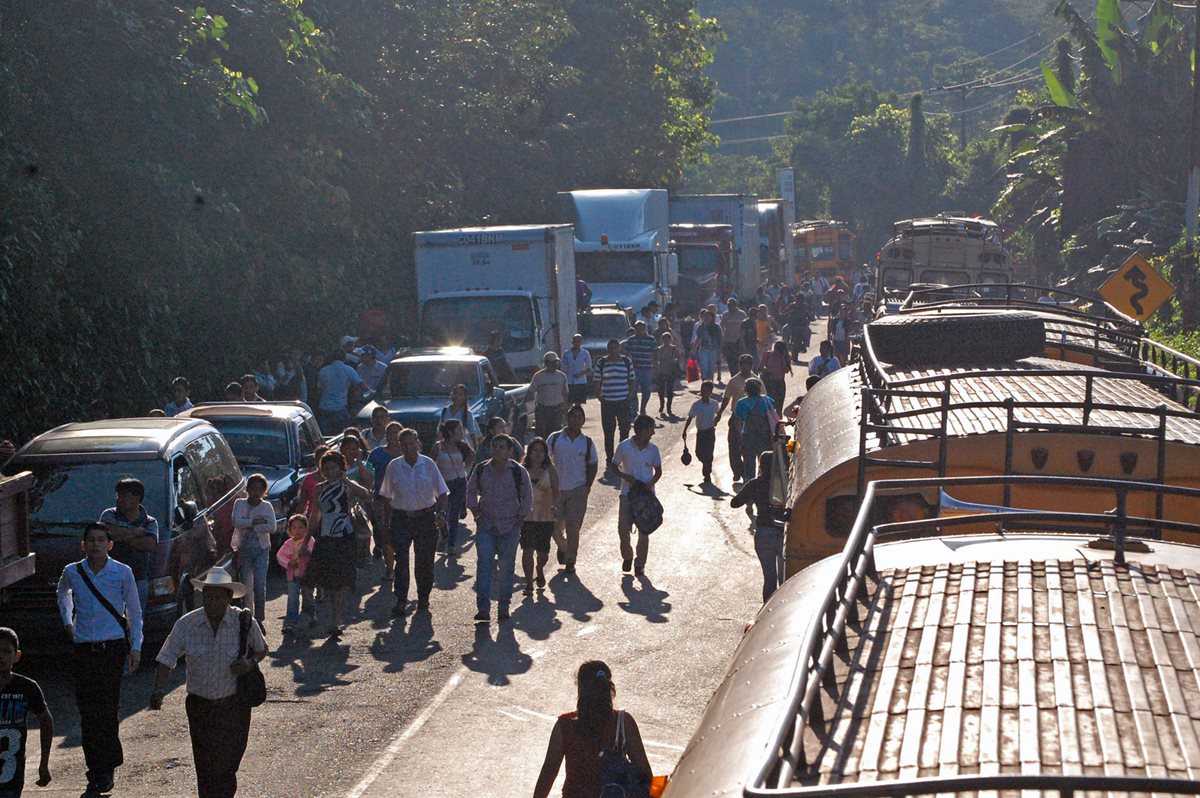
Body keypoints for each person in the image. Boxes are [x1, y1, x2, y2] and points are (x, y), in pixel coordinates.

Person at [151, 567, 267, 798]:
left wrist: (249, 663)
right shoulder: (187, 625)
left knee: (228, 764)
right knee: (205, 766)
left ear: (228, 597)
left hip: (234, 705)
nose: (211, 602)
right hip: (200, 707)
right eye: (207, 596)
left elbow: (262, 649)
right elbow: (166, 658)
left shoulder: (243, 621)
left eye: (217, 597)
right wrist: (158, 690)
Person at [56, 523, 142, 796]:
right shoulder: (72, 572)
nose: (95, 544)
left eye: (101, 540)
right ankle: (95, 769)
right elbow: (62, 593)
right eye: (90, 540)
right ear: (83, 545)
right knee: (88, 713)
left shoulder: (122, 572)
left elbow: (135, 612)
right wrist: (67, 621)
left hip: (112, 649)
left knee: (106, 709)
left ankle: (107, 766)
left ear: (110, 544)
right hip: (83, 649)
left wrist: (136, 647)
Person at [532, 660, 651, 798]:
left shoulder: (564, 725)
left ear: (580, 689)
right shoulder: (623, 722)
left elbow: (548, 773)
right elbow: (646, 773)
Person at [379, 429, 448, 617]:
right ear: (399, 446)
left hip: (425, 518)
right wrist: (386, 525)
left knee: (424, 561)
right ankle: (401, 599)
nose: (409, 448)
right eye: (404, 445)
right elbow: (386, 497)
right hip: (401, 518)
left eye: (412, 444)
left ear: (418, 443)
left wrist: (441, 514)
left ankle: (423, 597)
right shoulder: (394, 466)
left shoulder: (428, 464)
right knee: (401, 561)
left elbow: (442, 493)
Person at [466, 435, 532, 622]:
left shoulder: (518, 471)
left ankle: (504, 607)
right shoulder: (481, 469)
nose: (497, 450)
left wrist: (520, 517)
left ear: (510, 450)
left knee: (506, 568)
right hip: (486, 525)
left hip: (510, 527)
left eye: (502, 447)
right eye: (494, 447)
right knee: (484, 566)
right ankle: (483, 609)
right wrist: (475, 513)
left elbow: (527, 496)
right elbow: (470, 491)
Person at [305, 451, 372, 635]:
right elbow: (314, 515)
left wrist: (348, 481)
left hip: (345, 536)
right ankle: (332, 614)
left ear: (340, 468)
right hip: (326, 537)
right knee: (328, 582)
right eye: (326, 469)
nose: (329, 471)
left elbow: (367, 495)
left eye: (333, 467)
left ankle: (335, 621)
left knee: (343, 581)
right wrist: (306, 541)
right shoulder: (319, 488)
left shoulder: (347, 486)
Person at [0, 627, 53, 797]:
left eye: (6, 651)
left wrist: (44, 763)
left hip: (12, 776)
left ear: (17, 656)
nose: (1, 656)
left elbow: (46, 720)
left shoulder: (27, 687)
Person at [547, 406, 597, 574]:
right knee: (554, 528)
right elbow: (545, 461)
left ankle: (570, 560)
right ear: (567, 419)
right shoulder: (554, 439)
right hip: (556, 491)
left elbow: (593, 465)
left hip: (578, 490)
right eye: (573, 417)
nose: (576, 420)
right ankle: (563, 547)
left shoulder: (587, 443)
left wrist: (587, 487)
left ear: (583, 420)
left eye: (579, 417)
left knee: (573, 528)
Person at [99, 477, 159, 612]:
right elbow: (106, 534)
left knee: (135, 619)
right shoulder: (109, 515)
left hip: (138, 579)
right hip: (110, 578)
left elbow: (150, 544)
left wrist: (122, 537)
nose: (120, 499)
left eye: (125, 496)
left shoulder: (150, 522)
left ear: (137, 498)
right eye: (119, 496)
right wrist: (135, 532)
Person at [612, 414, 662, 576]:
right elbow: (614, 466)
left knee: (644, 530)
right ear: (641, 430)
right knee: (623, 528)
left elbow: (658, 471)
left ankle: (640, 563)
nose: (653, 433)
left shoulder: (653, 450)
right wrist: (626, 477)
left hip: (646, 496)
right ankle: (627, 556)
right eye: (650, 429)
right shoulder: (624, 446)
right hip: (627, 494)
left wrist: (651, 483)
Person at [731, 452, 784, 602]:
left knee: (769, 578)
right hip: (782, 533)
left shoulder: (755, 483)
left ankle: (768, 613)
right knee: (785, 579)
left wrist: (749, 494)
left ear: (760, 465)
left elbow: (735, 503)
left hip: (763, 533)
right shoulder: (783, 483)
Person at [231, 473, 275, 626]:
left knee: (259, 584)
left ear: (264, 491)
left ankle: (260, 618)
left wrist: (251, 524)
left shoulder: (266, 506)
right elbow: (236, 521)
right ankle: (248, 616)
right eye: (253, 489)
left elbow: (272, 527)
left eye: (259, 489)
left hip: (261, 549)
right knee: (246, 585)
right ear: (247, 489)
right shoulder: (240, 503)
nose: (256, 493)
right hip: (244, 549)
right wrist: (255, 521)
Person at [519, 438, 559, 596]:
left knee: (543, 553)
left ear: (545, 454)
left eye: (541, 451)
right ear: (529, 453)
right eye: (534, 450)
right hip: (526, 517)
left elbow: (556, 490)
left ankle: (539, 569)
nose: (537, 454)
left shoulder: (550, 470)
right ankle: (529, 583)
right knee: (527, 550)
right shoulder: (521, 469)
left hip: (546, 516)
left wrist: (555, 505)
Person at [430, 419, 473, 557]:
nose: (462, 432)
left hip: (459, 482)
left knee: (454, 514)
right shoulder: (438, 447)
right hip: (443, 484)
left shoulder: (462, 446)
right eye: (459, 430)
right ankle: (444, 533)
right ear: (450, 432)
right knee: (441, 512)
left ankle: (452, 545)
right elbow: (431, 464)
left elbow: (471, 458)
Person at [366, 425, 401, 580]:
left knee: (401, 535)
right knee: (385, 534)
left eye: (396, 432)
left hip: (403, 502)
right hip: (381, 500)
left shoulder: (407, 453)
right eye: (390, 432)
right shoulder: (376, 453)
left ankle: (401, 564)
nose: (393, 435)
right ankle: (389, 569)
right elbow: (367, 474)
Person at [594, 339, 635, 472]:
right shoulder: (602, 363)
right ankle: (610, 459)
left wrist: (629, 396)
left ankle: (621, 458)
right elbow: (596, 381)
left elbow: (632, 379)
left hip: (623, 400)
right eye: (611, 348)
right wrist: (600, 396)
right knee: (609, 432)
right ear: (608, 349)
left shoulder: (626, 362)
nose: (613, 350)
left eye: (615, 348)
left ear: (619, 348)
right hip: (607, 402)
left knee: (624, 430)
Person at [167, 502, 216, 611]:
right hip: (188, 564)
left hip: (206, 557)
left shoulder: (200, 520)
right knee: (188, 586)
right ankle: (191, 609)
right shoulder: (179, 526)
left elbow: (195, 534)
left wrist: (185, 531)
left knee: (205, 586)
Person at [715, 354, 756, 482]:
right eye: (742, 364)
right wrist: (719, 414)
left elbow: (763, 398)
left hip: (751, 418)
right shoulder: (734, 381)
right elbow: (726, 398)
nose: (744, 367)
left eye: (747, 364)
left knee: (748, 447)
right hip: (736, 416)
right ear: (739, 365)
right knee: (733, 446)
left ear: (751, 365)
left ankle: (748, 473)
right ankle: (737, 471)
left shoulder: (756, 380)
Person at [276, 514, 316, 635]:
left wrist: (308, 554)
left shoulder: (310, 541)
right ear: (290, 530)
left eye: (300, 527)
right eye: (294, 527)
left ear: (306, 529)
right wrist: (288, 563)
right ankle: (291, 622)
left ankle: (312, 615)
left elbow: (314, 554)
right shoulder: (288, 543)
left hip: (307, 576)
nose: (297, 530)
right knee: (292, 598)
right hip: (292, 576)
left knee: (308, 596)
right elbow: (279, 555)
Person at [734, 378, 777, 483]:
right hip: (763, 436)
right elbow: (773, 417)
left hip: (748, 436)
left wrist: (741, 436)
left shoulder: (741, 403)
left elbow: (738, 422)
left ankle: (749, 485)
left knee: (749, 464)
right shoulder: (767, 400)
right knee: (764, 463)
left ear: (746, 389)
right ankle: (762, 485)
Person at [317, 350, 368, 435]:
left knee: (326, 435)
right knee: (341, 434)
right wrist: (372, 392)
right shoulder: (349, 370)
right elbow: (361, 384)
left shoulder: (323, 370)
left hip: (324, 407)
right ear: (344, 358)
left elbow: (319, 390)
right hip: (340, 408)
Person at [682, 380, 718, 484]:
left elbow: (718, 414)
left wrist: (716, 421)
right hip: (701, 433)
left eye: (707, 391)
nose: (705, 393)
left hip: (710, 432)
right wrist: (685, 430)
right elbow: (690, 417)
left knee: (709, 454)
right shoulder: (697, 405)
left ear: (711, 392)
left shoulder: (714, 404)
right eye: (703, 390)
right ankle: (706, 465)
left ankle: (707, 473)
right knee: (699, 453)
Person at [529, 352, 569, 439]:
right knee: (541, 434)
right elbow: (531, 392)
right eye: (552, 362)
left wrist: (566, 409)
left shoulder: (562, 376)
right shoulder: (538, 376)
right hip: (542, 409)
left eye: (556, 362)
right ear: (546, 363)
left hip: (557, 409)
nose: (555, 364)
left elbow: (565, 393)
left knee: (555, 433)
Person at [622, 321, 657, 415]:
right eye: (637, 328)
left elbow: (655, 354)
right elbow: (626, 353)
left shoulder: (651, 340)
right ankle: (634, 408)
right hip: (634, 369)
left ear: (645, 328)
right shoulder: (631, 340)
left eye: (641, 328)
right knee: (633, 389)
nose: (640, 330)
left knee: (646, 390)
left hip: (647, 368)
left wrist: (655, 368)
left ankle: (643, 408)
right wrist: (626, 367)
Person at [440, 384, 482, 449]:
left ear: (465, 398)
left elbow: (472, 433)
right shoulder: (445, 411)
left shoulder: (467, 413)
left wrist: (475, 448)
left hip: (461, 445)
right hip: (446, 445)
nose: (456, 396)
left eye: (460, 395)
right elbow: (440, 429)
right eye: (455, 393)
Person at [719, 298, 747, 381]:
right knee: (730, 361)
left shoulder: (742, 314)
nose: (730, 307)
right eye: (728, 305)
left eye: (731, 305)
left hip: (739, 341)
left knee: (739, 360)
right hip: (728, 341)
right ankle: (733, 377)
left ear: (735, 305)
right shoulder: (725, 315)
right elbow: (721, 326)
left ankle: (740, 376)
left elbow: (746, 325)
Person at [560, 334, 592, 406]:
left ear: (581, 342)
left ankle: (577, 416)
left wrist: (581, 373)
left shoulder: (585, 353)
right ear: (572, 342)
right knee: (568, 403)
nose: (577, 343)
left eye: (578, 341)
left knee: (578, 403)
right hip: (569, 381)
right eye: (575, 341)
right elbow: (563, 367)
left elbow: (589, 368)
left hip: (580, 381)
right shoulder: (567, 353)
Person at [654, 331, 680, 418]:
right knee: (661, 391)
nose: (666, 341)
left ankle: (669, 407)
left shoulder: (674, 348)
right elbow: (656, 359)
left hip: (670, 371)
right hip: (661, 371)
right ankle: (662, 404)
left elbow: (679, 356)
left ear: (670, 340)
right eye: (664, 339)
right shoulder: (659, 349)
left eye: (668, 339)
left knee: (669, 391)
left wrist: (676, 360)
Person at [761, 340, 793, 410]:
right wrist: (768, 372)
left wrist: (782, 358)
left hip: (779, 384)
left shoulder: (786, 357)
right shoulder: (767, 355)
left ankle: (778, 420)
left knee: (779, 407)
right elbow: (760, 368)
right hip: (768, 383)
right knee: (768, 407)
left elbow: (786, 370)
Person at [692, 308, 722, 383]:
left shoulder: (717, 327)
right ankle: (704, 383)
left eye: (709, 316)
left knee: (711, 368)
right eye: (706, 316)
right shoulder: (701, 327)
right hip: (703, 350)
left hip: (714, 350)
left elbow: (720, 340)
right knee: (704, 367)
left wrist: (720, 351)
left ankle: (710, 385)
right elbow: (698, 339)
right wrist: (694, 350)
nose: (708, 318)